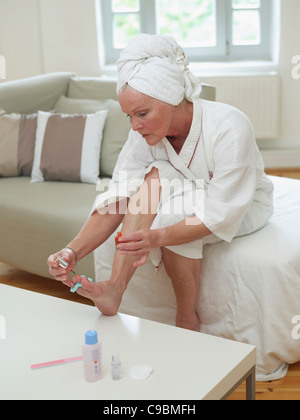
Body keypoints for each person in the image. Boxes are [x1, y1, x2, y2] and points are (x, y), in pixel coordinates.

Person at [47, 34, 273, 331]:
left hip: (241, 205)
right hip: (190, 190)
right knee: (155, 174)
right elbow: (119, 196)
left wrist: (156, 236)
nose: (135, 125)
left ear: (173, 99)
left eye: (142, 113)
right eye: (128, 116)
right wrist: (71, 251)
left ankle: (186, 317)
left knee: (170, 213)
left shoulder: (230, 128)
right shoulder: (142, 136)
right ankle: (115, 288)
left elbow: (221, 211)